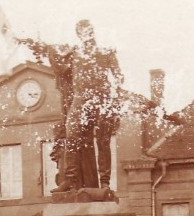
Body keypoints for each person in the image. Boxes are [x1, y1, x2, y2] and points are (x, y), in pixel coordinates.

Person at [17, 20, 123, 191]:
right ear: (79, 34)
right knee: (71, 135)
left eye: (88, 30)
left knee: (103, 141)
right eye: (81, 31)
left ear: (93, 32)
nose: (85, 34)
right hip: (80, 99)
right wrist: (25, 41)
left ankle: (105, 182)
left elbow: (118, 77)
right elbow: (50, 52)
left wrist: (115, 104)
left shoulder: (105, 52)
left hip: (101, 99)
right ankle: (71, 179)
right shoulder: (74, 53)